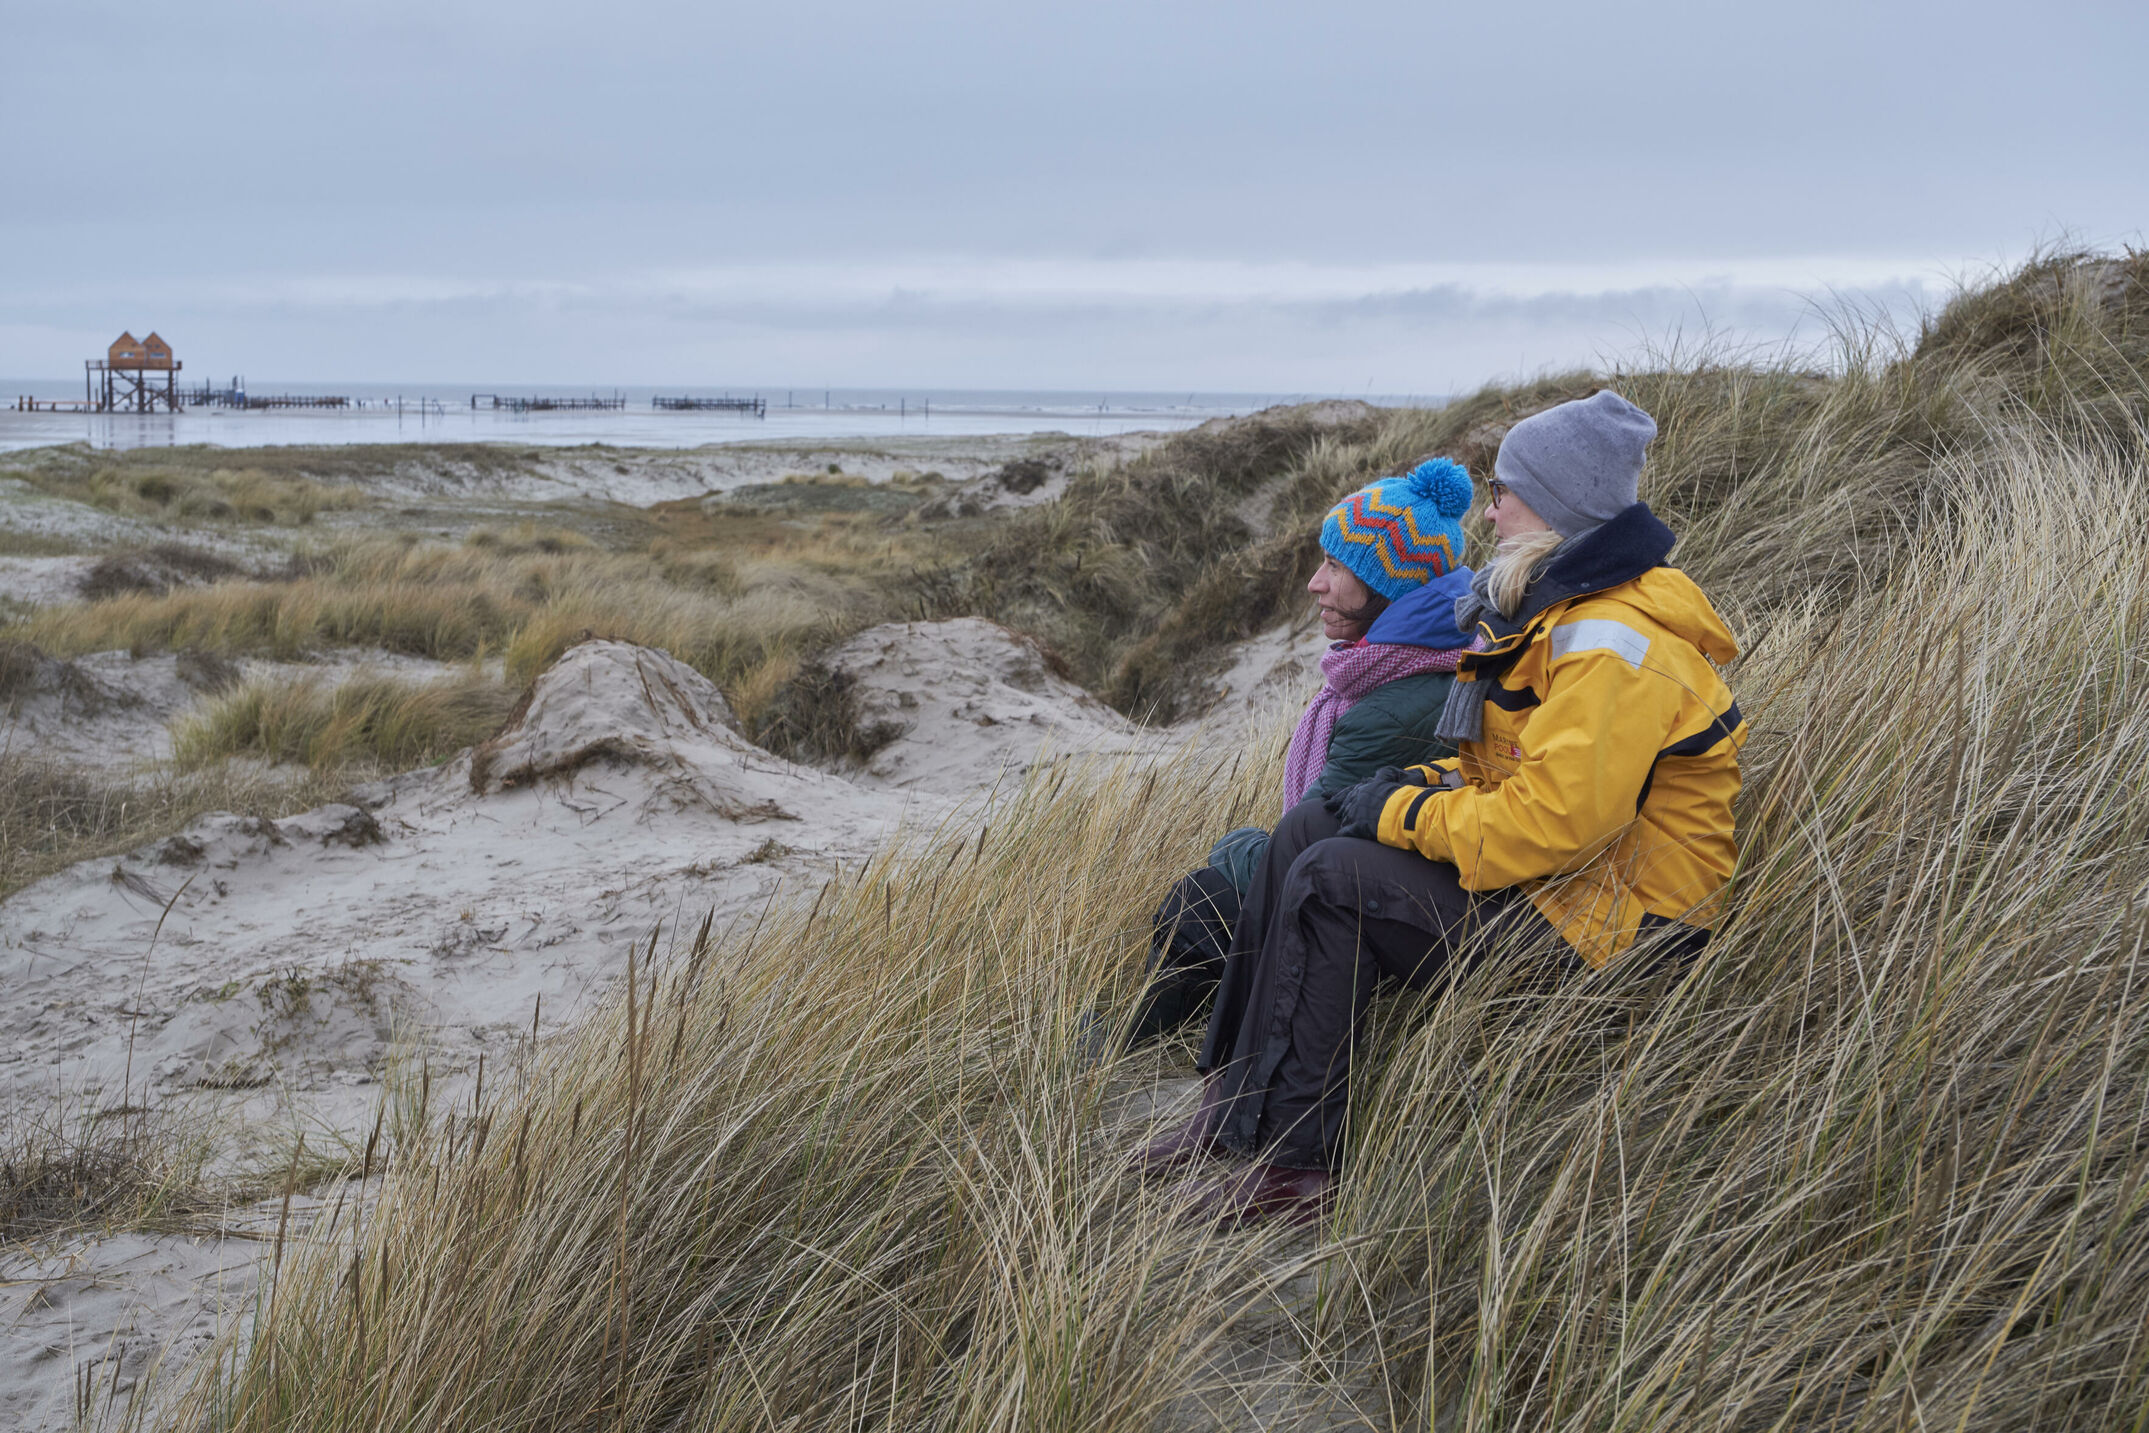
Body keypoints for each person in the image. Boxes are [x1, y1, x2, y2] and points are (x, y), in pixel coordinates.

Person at [1140, 391, 1747, 1225]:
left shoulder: (1614, 643)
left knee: (1332, 878)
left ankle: (1294, 1169)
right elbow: (1513, 778)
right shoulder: (1557, 612)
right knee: (1306, 828)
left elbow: (1551, 826)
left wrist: (1399, 814)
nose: (1490, 511)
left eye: (1503, 491)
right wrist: (1412, 789)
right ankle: (1233, 1097)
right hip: (1565, 892)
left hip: (1619, 934)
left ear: (1554, 504)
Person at [1125, 458, 1479, 1045]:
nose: (1315, 582)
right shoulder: (1426, 660)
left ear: (1388, 588)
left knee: (1204, 895)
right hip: (1398, 887)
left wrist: (1237, 846)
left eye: (1336, 566)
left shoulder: (1389, 708)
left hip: (1374, 915)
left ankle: (1133, 1046)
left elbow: (1302, 847)